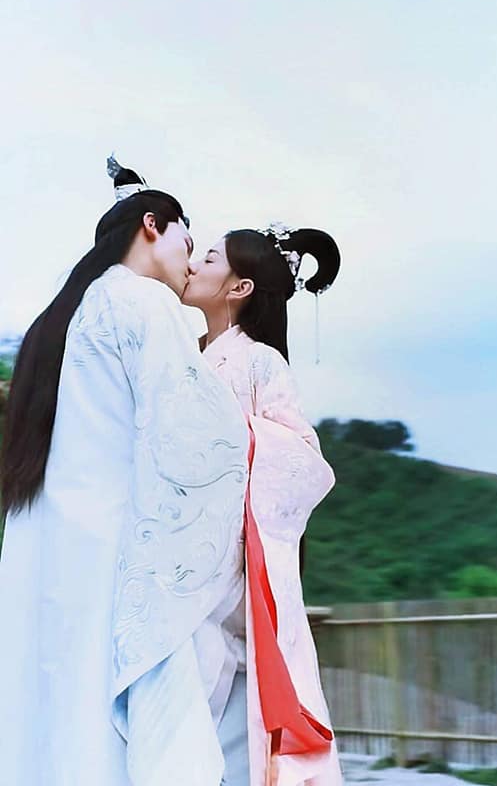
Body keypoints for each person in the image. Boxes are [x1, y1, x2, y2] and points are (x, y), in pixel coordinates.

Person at [0, 160, 250, 786]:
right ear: (152, 225)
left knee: (56, 712)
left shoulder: (70, 313)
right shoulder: (140, 299)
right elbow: (196, 434)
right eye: (188, 240)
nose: (191, 260)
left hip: (53, 545)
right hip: (112, 550)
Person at [182, 222, 343, 786]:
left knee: (216, 703)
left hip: (227, 564)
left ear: (239, 287)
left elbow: (304, 459)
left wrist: (231, 433)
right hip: (179, 551)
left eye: (208, 258)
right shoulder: (186, 354)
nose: (193, 264)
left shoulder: (259, 362)